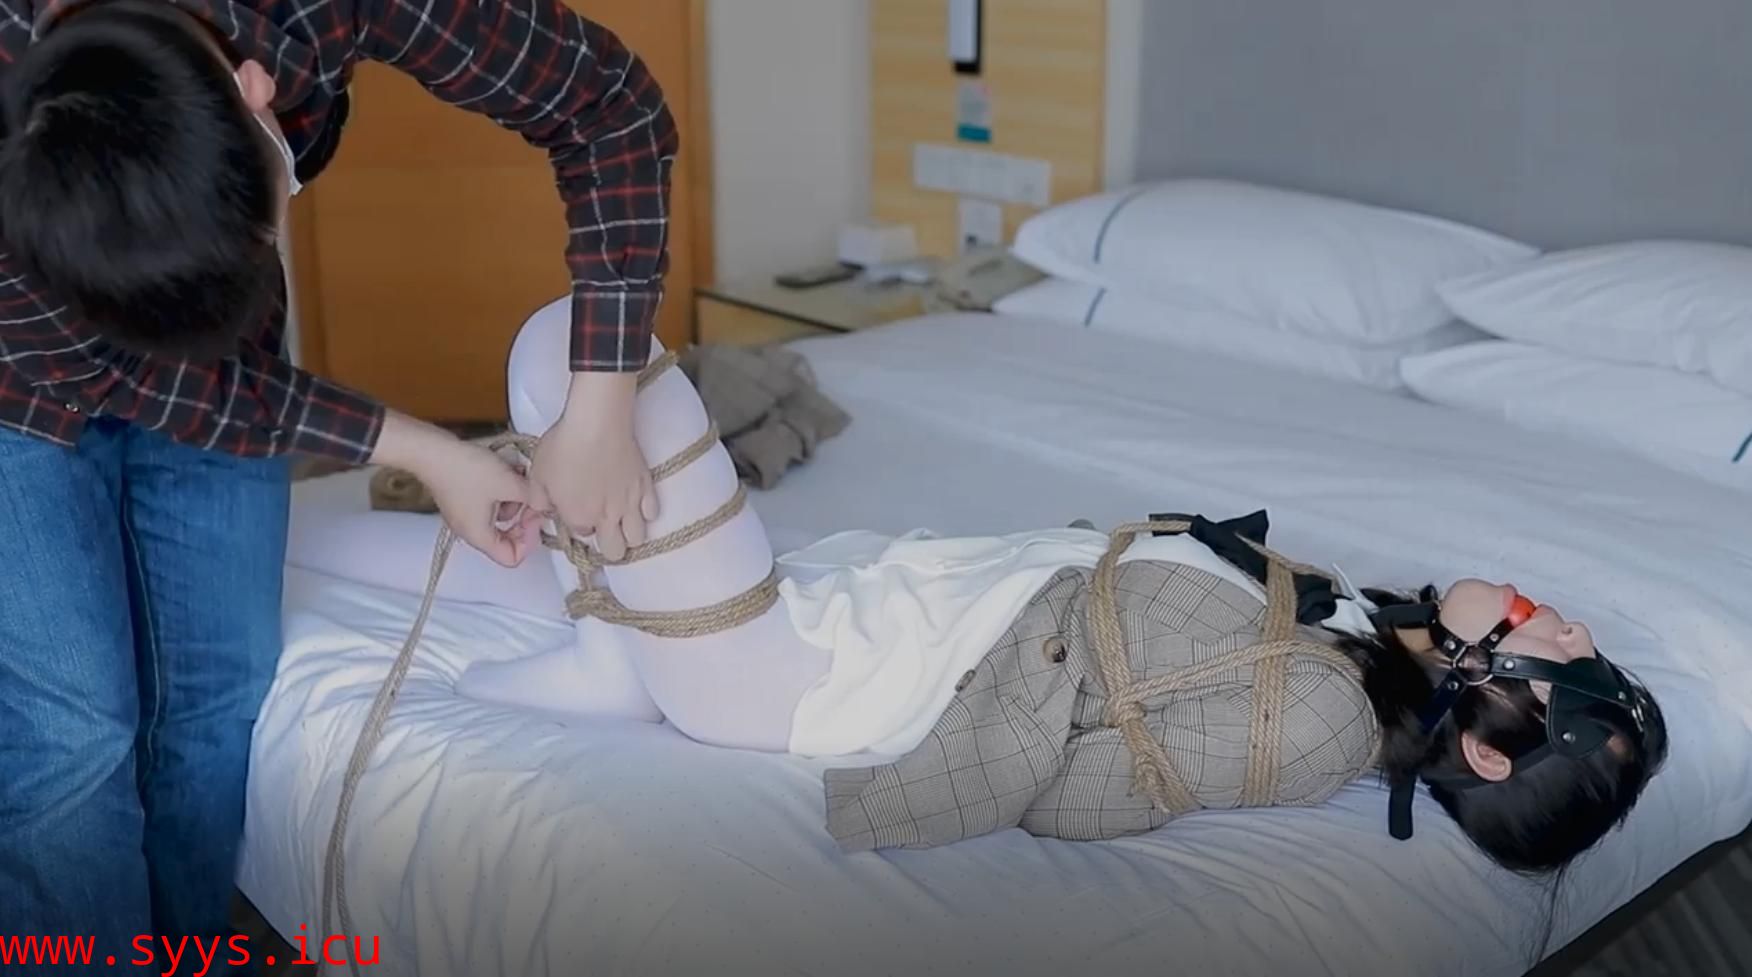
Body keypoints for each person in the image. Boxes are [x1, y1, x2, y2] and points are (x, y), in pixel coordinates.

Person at [304, 301, 1668, 881]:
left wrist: (960, 726)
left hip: (797, 676)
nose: (1568, 616)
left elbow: (1089, 787)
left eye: (1564, 647)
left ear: (1496, 743)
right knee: (487, 536)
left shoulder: (1321, 721)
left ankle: (630, 652)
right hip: (840, 602)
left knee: (574, 346)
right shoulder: (1351, 625)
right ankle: (596, 628)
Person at [0, 0, 672, 964]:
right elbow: (141, 382)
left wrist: (602, 399)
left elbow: (609, 102)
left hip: (212, 351)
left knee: (220, 697)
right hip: (12, 373)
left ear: (254, 91)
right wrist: (427, 450)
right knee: (71, 734)